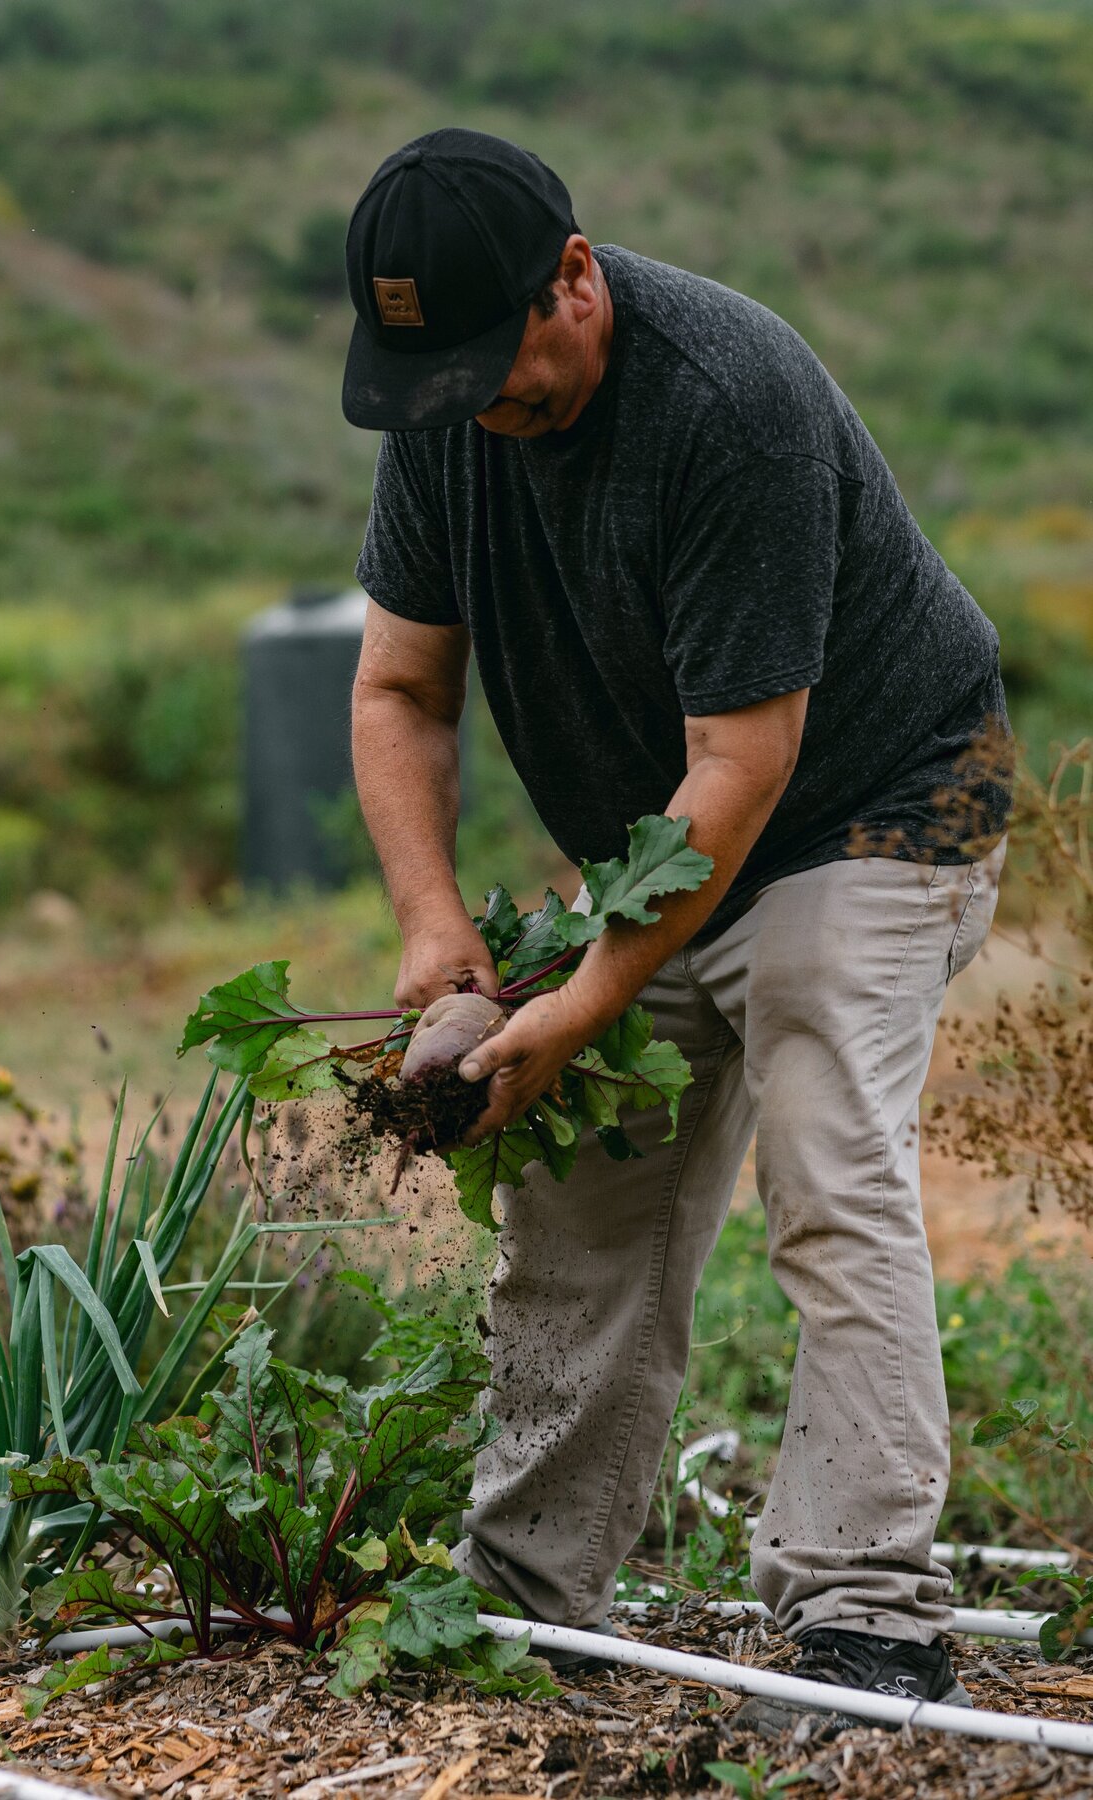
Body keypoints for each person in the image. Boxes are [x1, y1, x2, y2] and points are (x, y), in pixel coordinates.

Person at [342, 126, 1011, 1732]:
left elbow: (747, 763)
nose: (488, 409)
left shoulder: (729, 402)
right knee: (580, 1193)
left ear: (577, 274)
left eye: (507, 367)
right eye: (449, 384)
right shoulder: (455, 408)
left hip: (880, 794)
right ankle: (532, 1600)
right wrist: (440, 932)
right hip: (668, 832)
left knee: (824, 1144)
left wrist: (580, 997)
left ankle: (867, 1619)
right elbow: (397, 686)